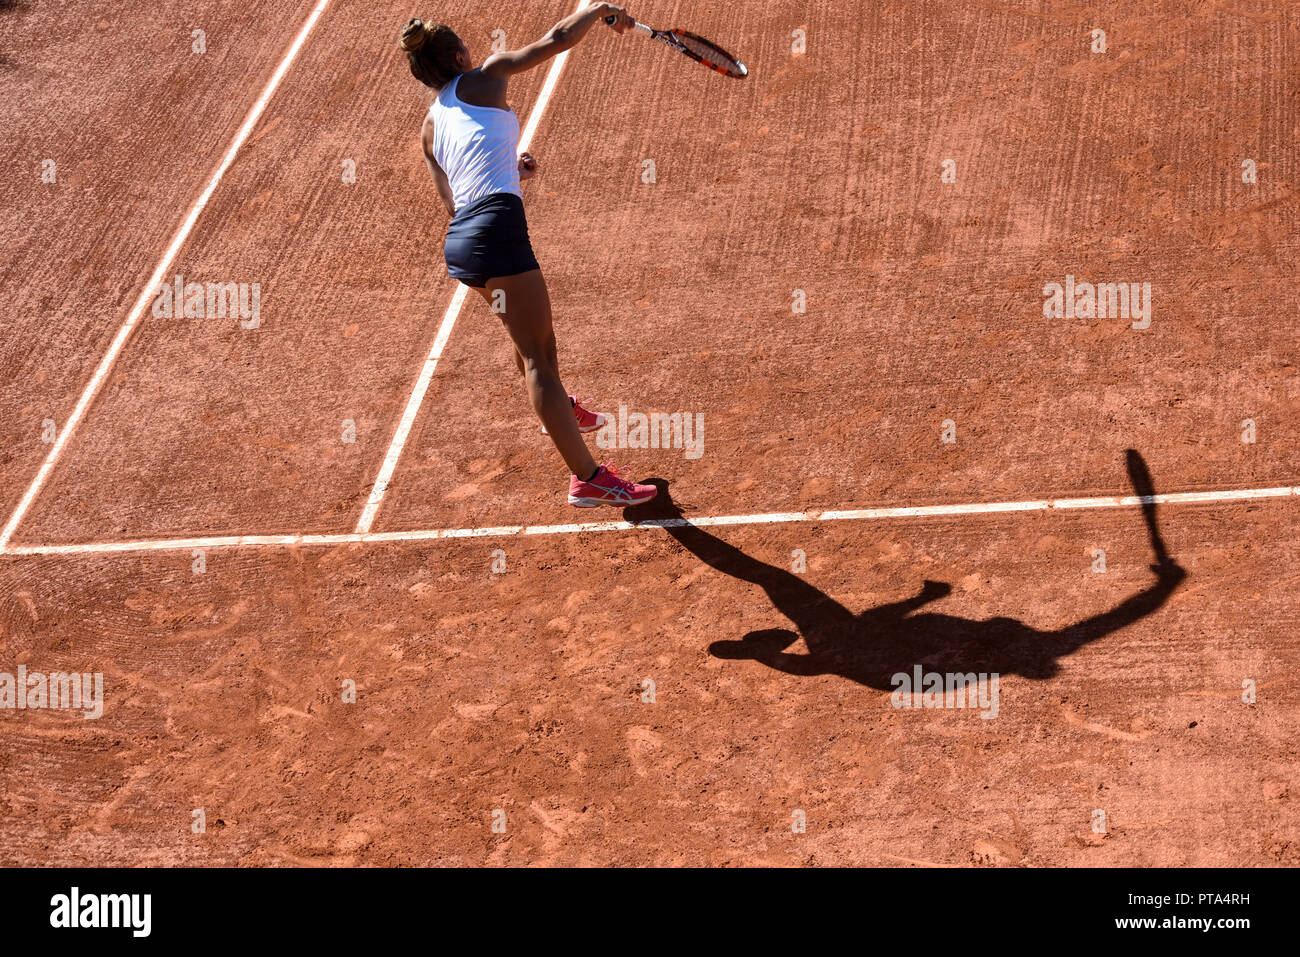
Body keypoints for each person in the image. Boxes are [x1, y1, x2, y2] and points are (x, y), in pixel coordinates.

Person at [400, 6, 658, 507]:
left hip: (465, 242)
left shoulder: (430, 127)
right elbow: (558, 38)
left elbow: (454, 201)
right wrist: (601, 10)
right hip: (495, 231)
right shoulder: (488, 75)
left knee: (532, 344)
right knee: (539, 355)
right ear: (458, 56)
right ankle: (587, 478)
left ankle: (559, 409)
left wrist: (512, 171)